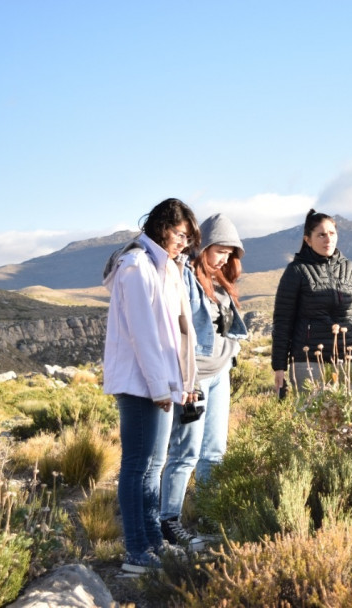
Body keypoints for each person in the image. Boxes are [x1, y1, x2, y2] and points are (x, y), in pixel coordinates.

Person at [102, 198, 200, 574]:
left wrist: (180, 384)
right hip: (139, 382)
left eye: (188, 238)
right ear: (162, 228)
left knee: (152, 465)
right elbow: (144, 335)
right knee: (137, 466)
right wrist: (163, 388)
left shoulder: (165, 267)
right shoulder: (136, 267)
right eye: (180, 235)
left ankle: (152, 544)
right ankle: (136, 551)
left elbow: (174, 335)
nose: (184, 243)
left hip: (157, 382)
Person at [160, 213, 248, 550]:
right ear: (203, 246)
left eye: (230, 253)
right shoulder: (182, 275)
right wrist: (185, 380)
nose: (225, 259)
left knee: (215, 452)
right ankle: (169, 521)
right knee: (185, 451)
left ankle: (209, 514)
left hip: (220, 374)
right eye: (219, 251)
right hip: (193, 377)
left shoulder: (220, 281)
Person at [271, 209, 352, 394]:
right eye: (321, 235)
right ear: (308, 239)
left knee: (348, 420)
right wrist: (279, 366)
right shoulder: (297, 271)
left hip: (347, 359)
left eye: (332, 233)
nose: (328, 240)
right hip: (308, 362)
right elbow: (282, 322)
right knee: (311, 421)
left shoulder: (350, 269)